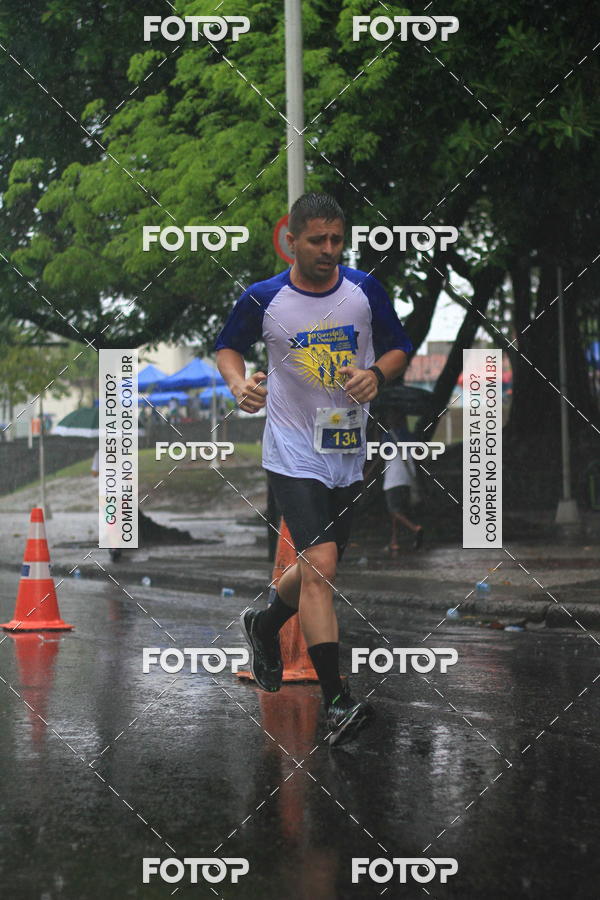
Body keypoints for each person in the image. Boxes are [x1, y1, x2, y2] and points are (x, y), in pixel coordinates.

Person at [214, 192, 412, 747]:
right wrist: (239, 384)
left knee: (322, 567)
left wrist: (378, 372)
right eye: (318, 240)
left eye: (337, 239)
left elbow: (400, 347)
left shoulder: (363, 291)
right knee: (321, 564)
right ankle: (339, 702)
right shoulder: (265, 298)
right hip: (291, 451)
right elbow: (227, 347)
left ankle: (264, 622)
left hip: (347, 450)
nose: (330, 250)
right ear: (292, 241)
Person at [382, 411, 424, 551]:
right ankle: (394, 541)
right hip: (407, 478)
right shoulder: (409, 436)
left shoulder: (388, 436)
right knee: (397, 510)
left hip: (393, 478)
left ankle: (415, 528)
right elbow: (418, 453)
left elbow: (382, 454)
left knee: (394, 511)